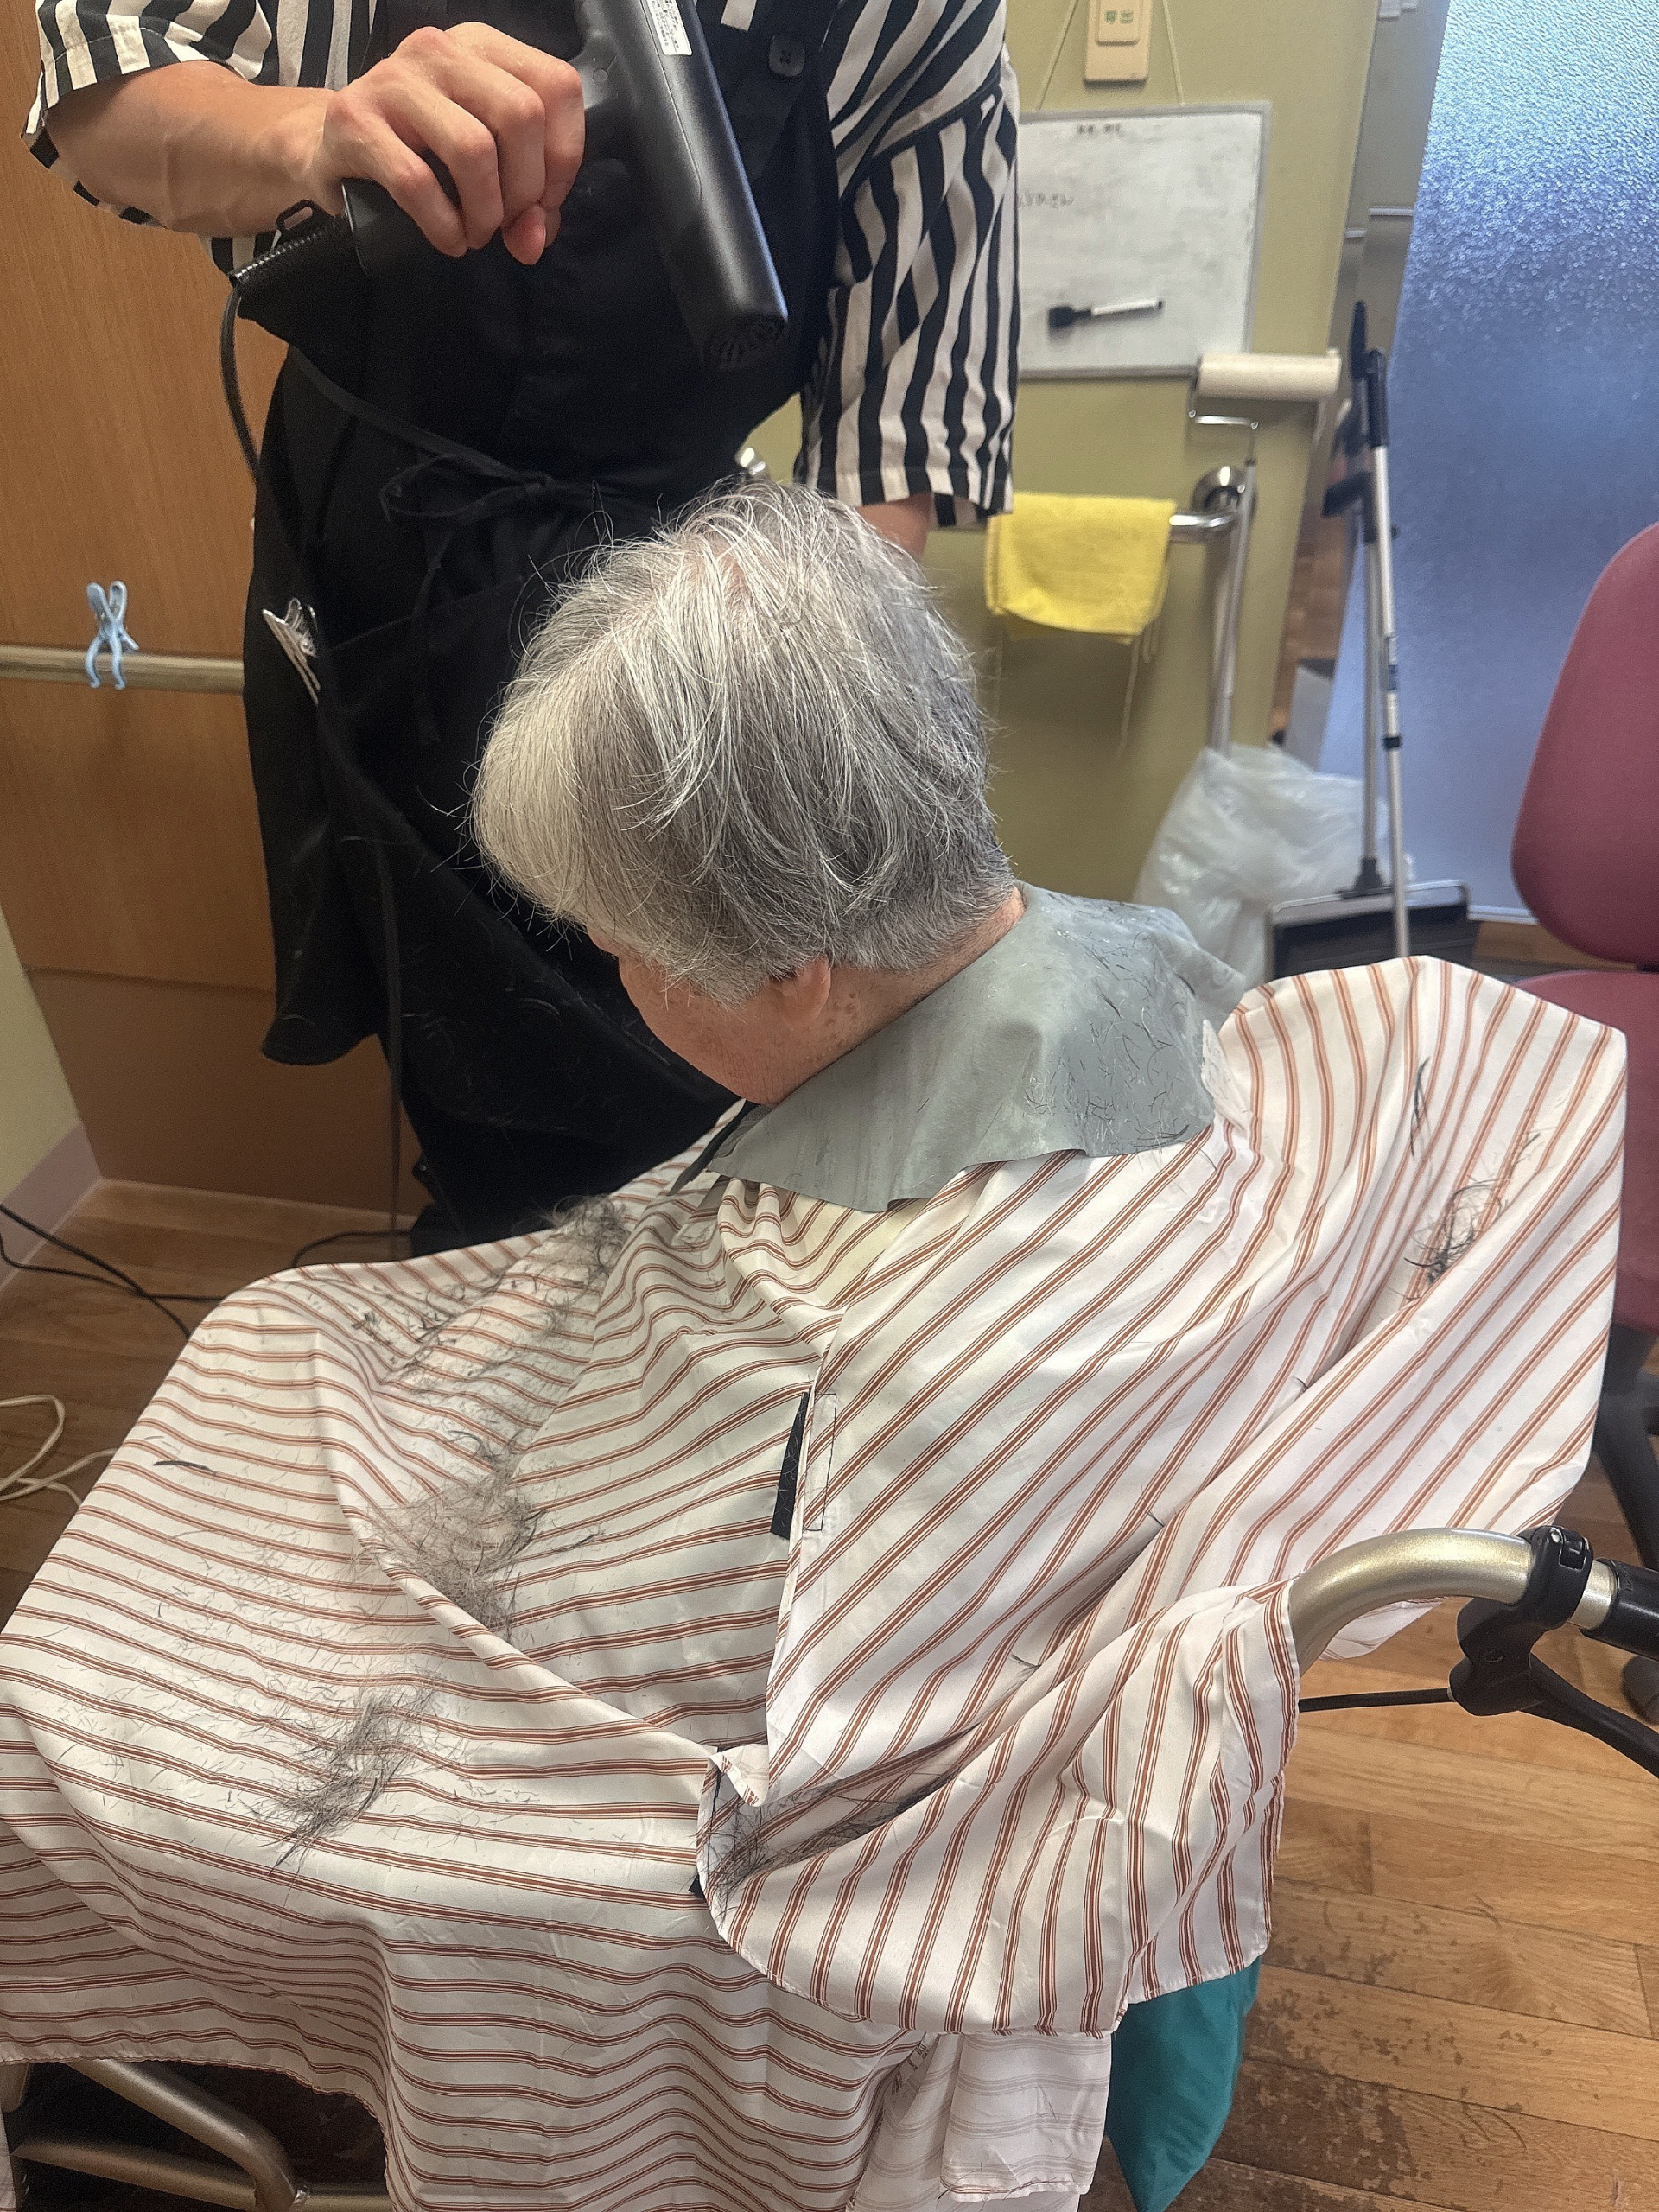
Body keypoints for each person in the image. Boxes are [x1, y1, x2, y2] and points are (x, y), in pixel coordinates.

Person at [0, 487, 1624, 2212]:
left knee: (65, 1677)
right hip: (708, 1401)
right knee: (290, 1329)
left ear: (786, 972)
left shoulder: (917, 1356)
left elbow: (791, 1733)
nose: (609, 968)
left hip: (667, 1584)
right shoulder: (1136, 966)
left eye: (621, 945)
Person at [29, 0, 1018, 1249]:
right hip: (377, 572)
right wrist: (309, 135)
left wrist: (774, 751)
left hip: (664, 618)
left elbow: (893, 456)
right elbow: (97, 82)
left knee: (682, 1089)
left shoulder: (923, 24)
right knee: (456, 1049)